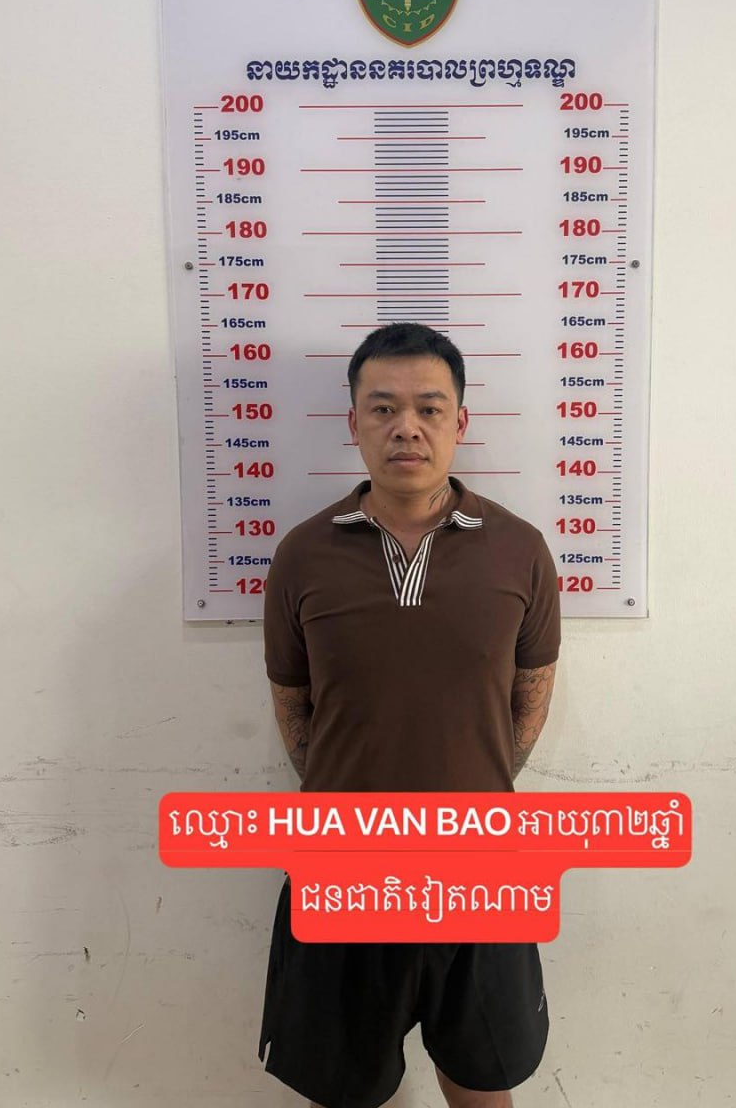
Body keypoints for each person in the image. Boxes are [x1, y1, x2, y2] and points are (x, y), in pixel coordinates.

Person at [259, 322, 561, 1108]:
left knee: (482, 1082)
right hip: (339, 863)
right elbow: (294, 704)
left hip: (481, 863)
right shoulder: (302, 554)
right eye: (383, 408)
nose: (407, 428)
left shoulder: (520, 550)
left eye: (429, 408)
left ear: (460, 421)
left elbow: (530, 694)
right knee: (344, 1089)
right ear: (354, 422)